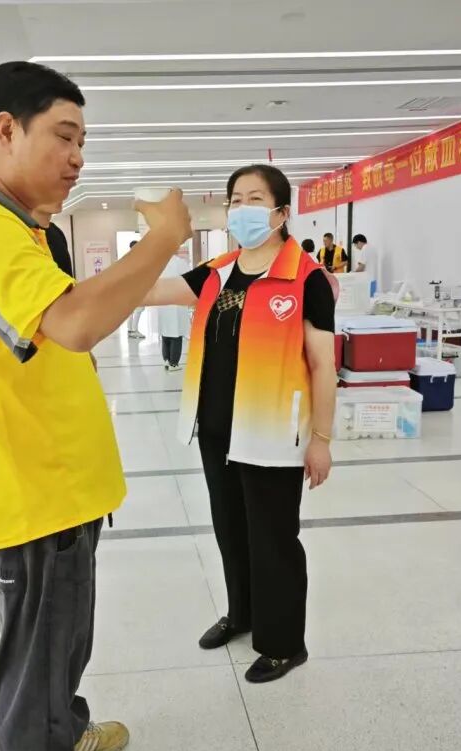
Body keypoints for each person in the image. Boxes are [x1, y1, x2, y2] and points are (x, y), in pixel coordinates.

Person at [0, 60, 191, 751]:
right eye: (64, 136)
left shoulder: (23, 230)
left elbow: (69, 318)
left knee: (60, 655)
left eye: (84, 142)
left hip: (62, 493)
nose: (78, 157)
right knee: (35, 680)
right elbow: (73, 322)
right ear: (6, 129)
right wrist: (164, 238)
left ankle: (67, 735)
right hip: (33, 499)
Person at [143, 163, 337, 683]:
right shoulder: (218, 271)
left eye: (255, 199)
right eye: (235, 200)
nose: (242, 209)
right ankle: (243, 613)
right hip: (216, 429)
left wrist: (321, 439)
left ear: (281, 212)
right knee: (230, 530)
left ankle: (283, 643)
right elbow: (152, 292)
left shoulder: (307, 278)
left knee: (273, 539)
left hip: (273, 432)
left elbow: (324, 365)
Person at [159, 248, 191, 371]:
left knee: (165, 333)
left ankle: (166, 360)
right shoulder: (179, 262)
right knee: (176, 334)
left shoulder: (160, 263)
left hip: (163, 302)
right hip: (176, 302)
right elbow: (189, 279)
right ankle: (174, 363)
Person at [126, 241, 147, 339]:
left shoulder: (128, 258)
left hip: (129, 287)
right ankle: (134, 330)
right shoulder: (137, 258)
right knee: (139, 308)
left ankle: (130, 330)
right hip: (137, 286)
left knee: (130, 310)